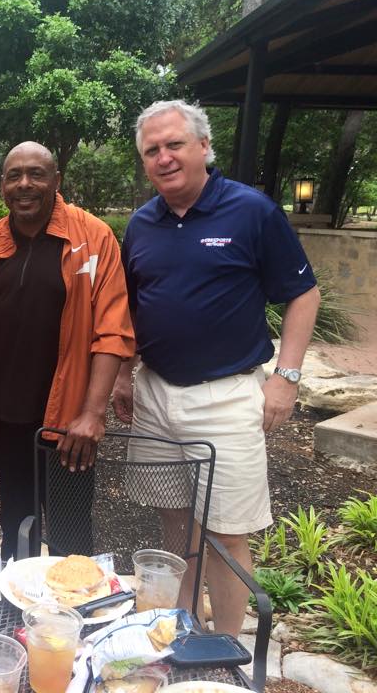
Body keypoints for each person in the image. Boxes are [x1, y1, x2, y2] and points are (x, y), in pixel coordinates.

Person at [112, 99, 321, 636]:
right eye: (152, 150)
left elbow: (303, 293)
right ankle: (184, 629)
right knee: (176, 527)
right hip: (155, 393)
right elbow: (133, 309)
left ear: (204, 146)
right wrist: (121, 375)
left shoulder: (251, 211)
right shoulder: (140, 225)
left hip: (226, 397)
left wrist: (286, 377)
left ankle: (226, 650)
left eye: (174, 144)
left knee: (227, 533)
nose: (163, 158)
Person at [0, 142, 135, 560]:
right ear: (4, 185)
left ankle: (69, 617)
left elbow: (112, 332)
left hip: (68, 424)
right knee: (16, 524)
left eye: (36, 174)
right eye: (14, 175)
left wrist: (92, 414)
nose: (25, 184)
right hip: (3, 420)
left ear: (56, 181)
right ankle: (18, 616)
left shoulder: (94, 238)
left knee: (70, 534)